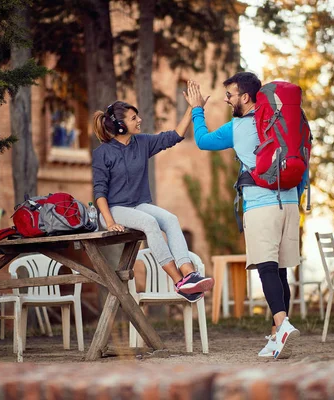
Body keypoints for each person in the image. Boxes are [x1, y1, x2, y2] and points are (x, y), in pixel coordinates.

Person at [184, 72, 303, 359]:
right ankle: (277, 338)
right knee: (280, 270)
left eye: (230, 95)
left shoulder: (238, 126)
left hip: (261, 205)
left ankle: (282, 324)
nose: (227, 100)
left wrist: (196, 109)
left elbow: (202, 140)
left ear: (245, 97)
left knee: (266, 268)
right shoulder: (280, 121)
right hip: (289, 201)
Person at [92, 100, 214, 302]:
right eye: (133, 118)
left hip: (138, 205)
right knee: (150, 223)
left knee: (170, 219)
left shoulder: (142, 143)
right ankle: (179, 283)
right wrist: (110, 222)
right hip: (113, 210)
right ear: (120, 125)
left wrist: (192, 109)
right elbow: (99, 192)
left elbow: (174, 136)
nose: (139, 120)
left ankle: (189, 274)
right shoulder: (103, 153)